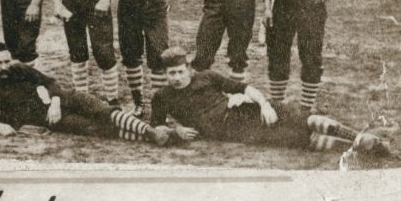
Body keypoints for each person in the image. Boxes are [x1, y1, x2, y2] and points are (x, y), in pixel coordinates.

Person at [151, 47, 388, 154]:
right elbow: (155, 128)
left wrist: (264, 104)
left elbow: (245, 87)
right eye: (171, 73)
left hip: (245, 108)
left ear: (188, 69)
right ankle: (357, 148)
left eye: (180, 71)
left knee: (303, 118)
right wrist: (176, 130)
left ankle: (359, 137)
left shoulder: (206, 76)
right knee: (298, 139)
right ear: (164, 74)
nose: (177, 77)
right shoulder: (162, 97)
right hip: (233, 129)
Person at [0, 43, 171, 145]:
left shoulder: (18, 68)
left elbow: (50, 82)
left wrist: (54, 102)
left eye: (6, 61)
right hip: (46, 118)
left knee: (100, 109)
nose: (4, 67)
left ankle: (150, 131)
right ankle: (156, 137)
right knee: (93, 127)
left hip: (62, 100)